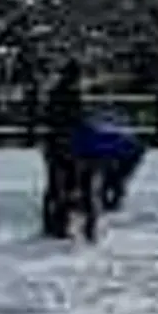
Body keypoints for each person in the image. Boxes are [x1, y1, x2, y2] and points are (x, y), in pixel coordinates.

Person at [37, 55, 99, 243]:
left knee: (57, 186)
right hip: (65, 145)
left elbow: (51, 118)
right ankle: (61, 225)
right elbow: (74, 120)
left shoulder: (57, 92)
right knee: (67, 185)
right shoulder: (69, 95)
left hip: (56, 145)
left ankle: (55, 224)